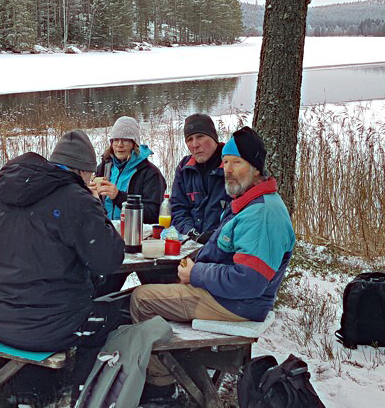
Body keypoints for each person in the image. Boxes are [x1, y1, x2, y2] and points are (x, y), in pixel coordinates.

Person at [130, 126, 296, 396]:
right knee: (157, 282)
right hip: (230, 297)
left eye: (237, 162)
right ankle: (177, 362)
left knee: (140, 299)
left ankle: (160, 386)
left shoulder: (262, 214)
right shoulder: (249, 202)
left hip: (236, 304)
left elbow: (248, 281)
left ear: (256, 168)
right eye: (226, 162)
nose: (228, 169)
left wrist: (196, 274)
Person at [0, 130, 127, 398]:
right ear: (83, 172)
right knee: (111, 318)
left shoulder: (5, 189)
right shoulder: (76, 200)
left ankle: (33, 385)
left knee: (47, 298)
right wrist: (96, 206)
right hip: (46, 329)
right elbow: (108, 260)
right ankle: (81, 395)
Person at [170, 113, 231, 244]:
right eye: (189, 139)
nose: (195, 144)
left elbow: (238, 215)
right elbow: (177, 210)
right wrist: (191, 233)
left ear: (214, 138)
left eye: (200, 136)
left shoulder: (231, 166)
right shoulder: (184, 168)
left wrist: (213, 237)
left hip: (223, 247)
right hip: (190, 245)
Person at [94, 116, 166, 225]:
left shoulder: (151, 173)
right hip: (106, 232)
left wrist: (119, 197)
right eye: (116, 140)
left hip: (135, 234)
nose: (119, 145)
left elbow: (153, 215)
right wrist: (90, 194)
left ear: (134, 143)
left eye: (125, 140)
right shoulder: (104, 168)